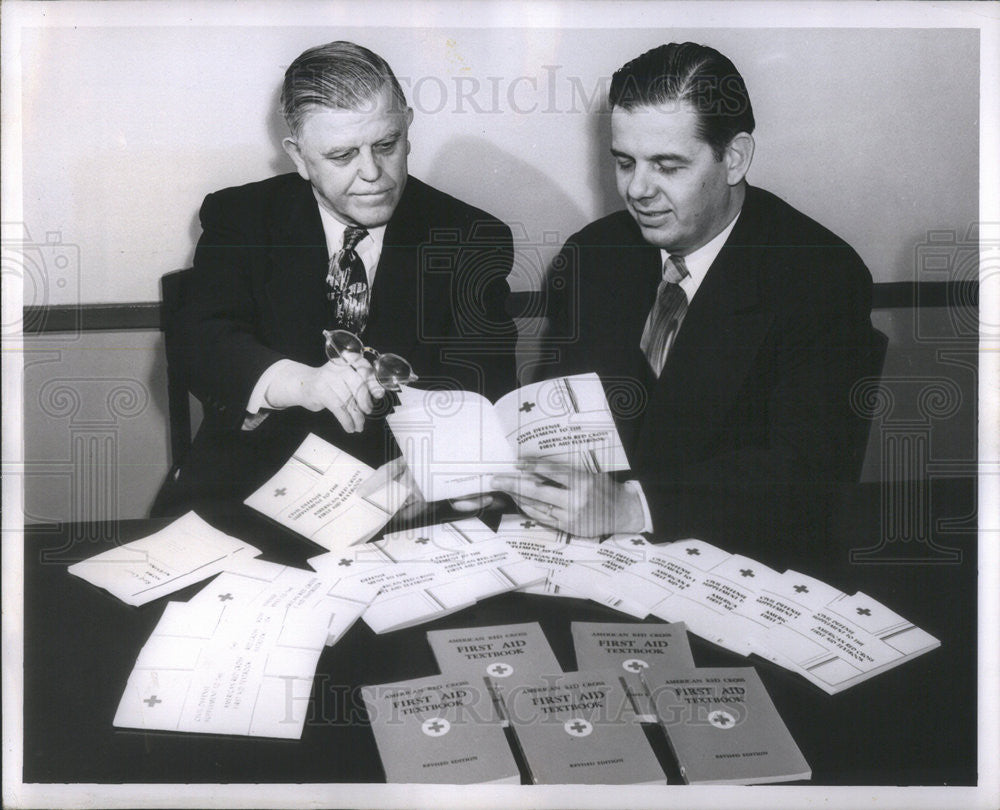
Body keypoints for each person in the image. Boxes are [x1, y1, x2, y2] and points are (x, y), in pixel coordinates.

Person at [491, 42, 875, 561]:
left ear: (734, 158)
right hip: (593, 557)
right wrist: (505, 472)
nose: (637, 190)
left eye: (667, 166)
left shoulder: (822, 276)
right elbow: (561, 413)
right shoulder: (592, 253)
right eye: (625, 162)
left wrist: (632, 506)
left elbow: (808, 472)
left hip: (746, 559)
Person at [152, 41, 518, 517]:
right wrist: (301, 383)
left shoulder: (471, 236)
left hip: (406, 493)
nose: (373, 174)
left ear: (407, 127)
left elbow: (483, 382)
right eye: (342, 155)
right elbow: (200, 342)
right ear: (300, 157)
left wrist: (441, 466)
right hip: (252, 484)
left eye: (386, 145)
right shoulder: (241, 216)